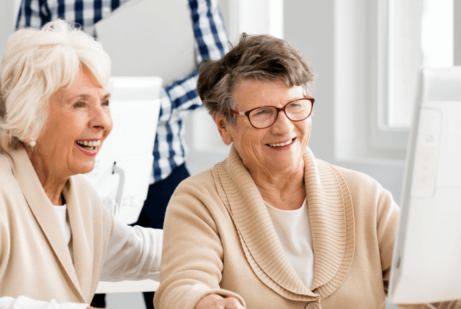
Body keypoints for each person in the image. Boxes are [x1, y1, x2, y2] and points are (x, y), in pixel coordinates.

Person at [155, 34, 461, 309]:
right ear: (224, 125)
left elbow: (432, 286)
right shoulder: (199, 200)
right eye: (262, 112)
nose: (284, 127)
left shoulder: (366, 196)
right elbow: (182, 286)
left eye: (296, 106)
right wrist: (204, 302)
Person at [16, 0, 227, 306]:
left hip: (159, 171)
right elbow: (22, 76)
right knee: (70, 296)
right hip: (72, 177)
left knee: (181, 290)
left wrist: (153, 104)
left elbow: (218, 71)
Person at [0, 19, 162, 308]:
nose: (103, 122)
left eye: (105, 102)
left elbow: (138, 251)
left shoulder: (78, 195)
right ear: (32, 116)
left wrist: (218, 239)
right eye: (80, 104)